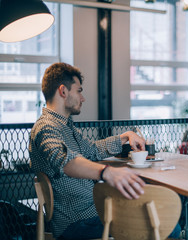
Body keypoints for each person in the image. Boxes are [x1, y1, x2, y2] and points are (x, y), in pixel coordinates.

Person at [29, 62, 147, 239]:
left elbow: (92, 150)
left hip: (93, 214)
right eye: (79, 91)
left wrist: (125, 136)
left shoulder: (66, 127)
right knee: (161, 223)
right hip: (76, 224)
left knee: (157, 216)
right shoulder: (46, 128)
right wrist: (107, 173)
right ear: (63, 91)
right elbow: (65, 161)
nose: (82, 98)